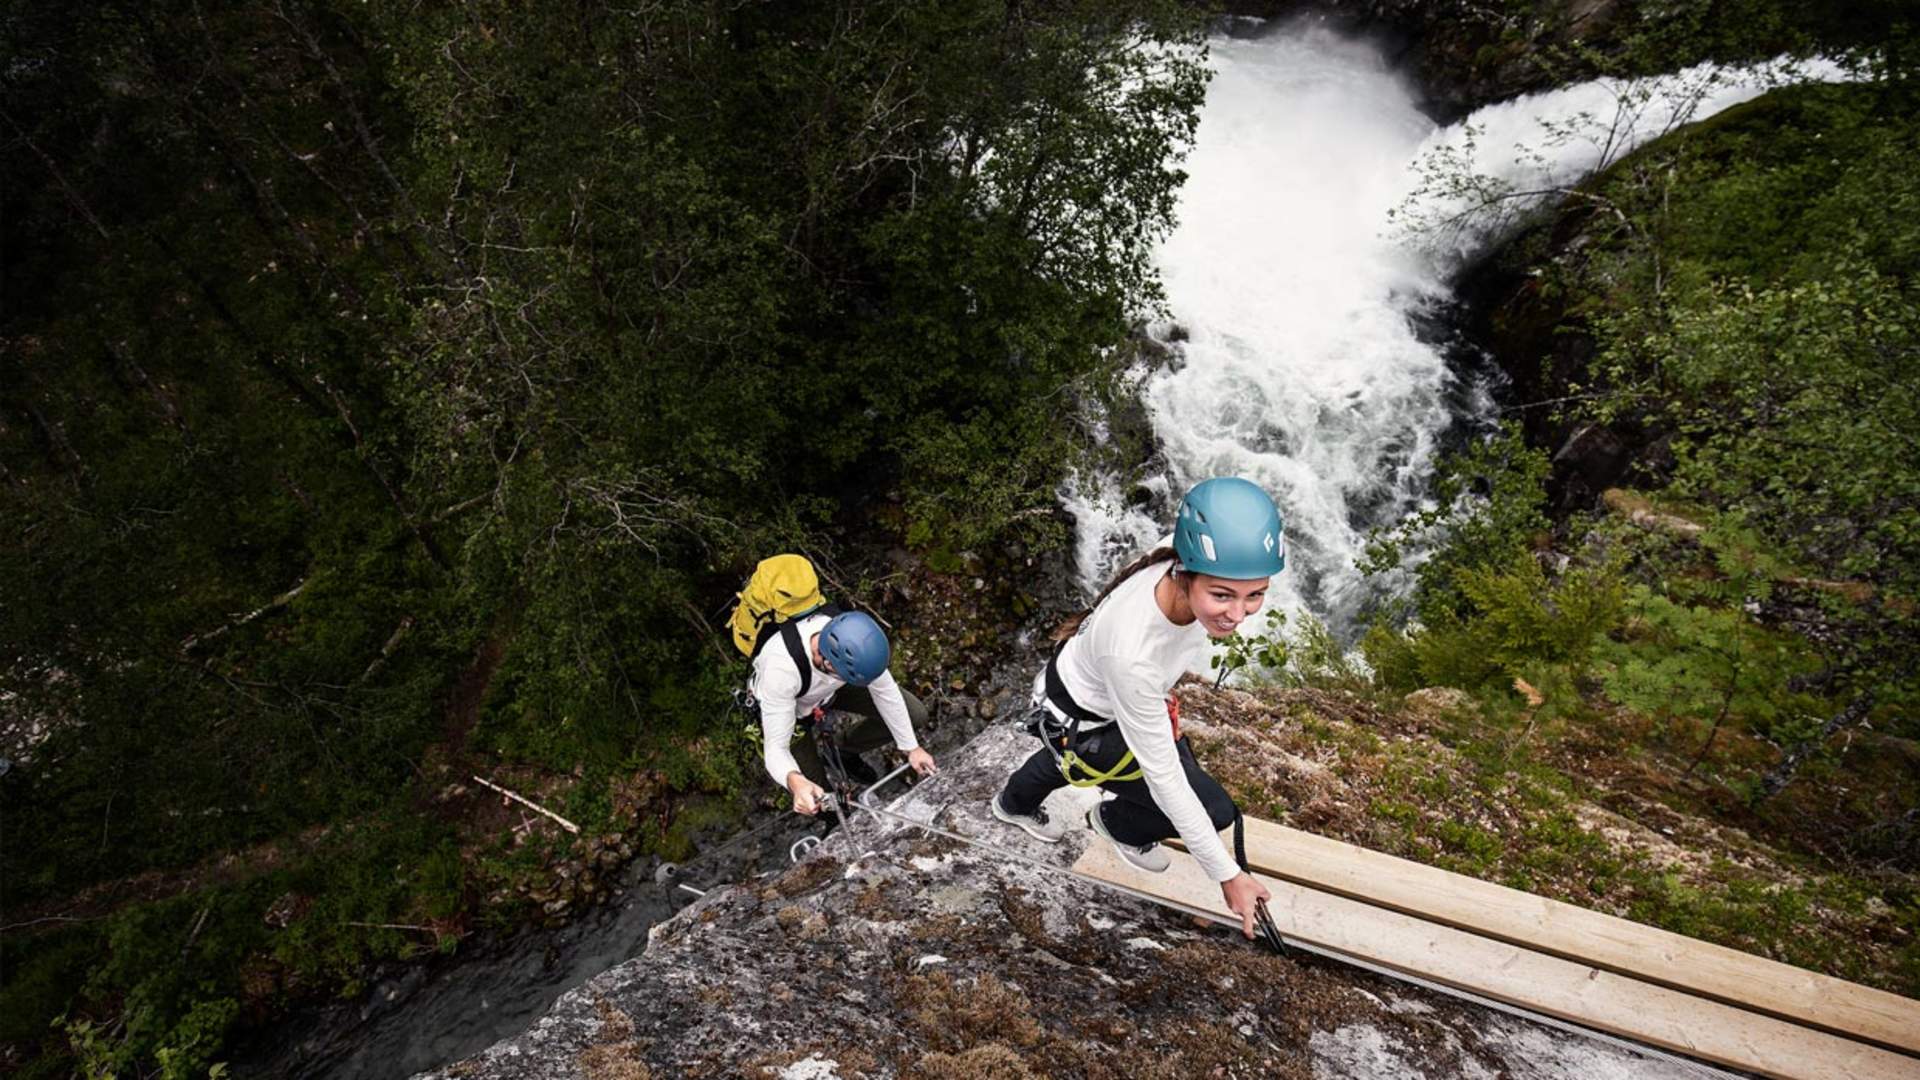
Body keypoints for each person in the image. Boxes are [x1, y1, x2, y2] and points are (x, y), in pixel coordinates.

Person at [990, 477, 1283, 938]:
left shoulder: (1175, 554)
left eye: (1255, 594)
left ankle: (1017, 803)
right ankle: (1111, 823)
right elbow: (1165, 779)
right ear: (1185, 574)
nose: (1238, 613)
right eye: (1222, 595)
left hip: (1077, 697)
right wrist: (1228, 876)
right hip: (1086, 718)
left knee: (1069, 760)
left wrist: (1158, 695)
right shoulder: (1132, 653)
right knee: (1213, 811)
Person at [753, 608, 936, 816]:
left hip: (830, 689)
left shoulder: (853, 644)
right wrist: (795, 780)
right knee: (817, 795)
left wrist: (911, 748)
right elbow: (776, 748)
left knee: (915, 715)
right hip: (794, 708)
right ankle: (835, 818)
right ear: (829, 663)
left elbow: (885, 691)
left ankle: (844, 750)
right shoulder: (781, 672)